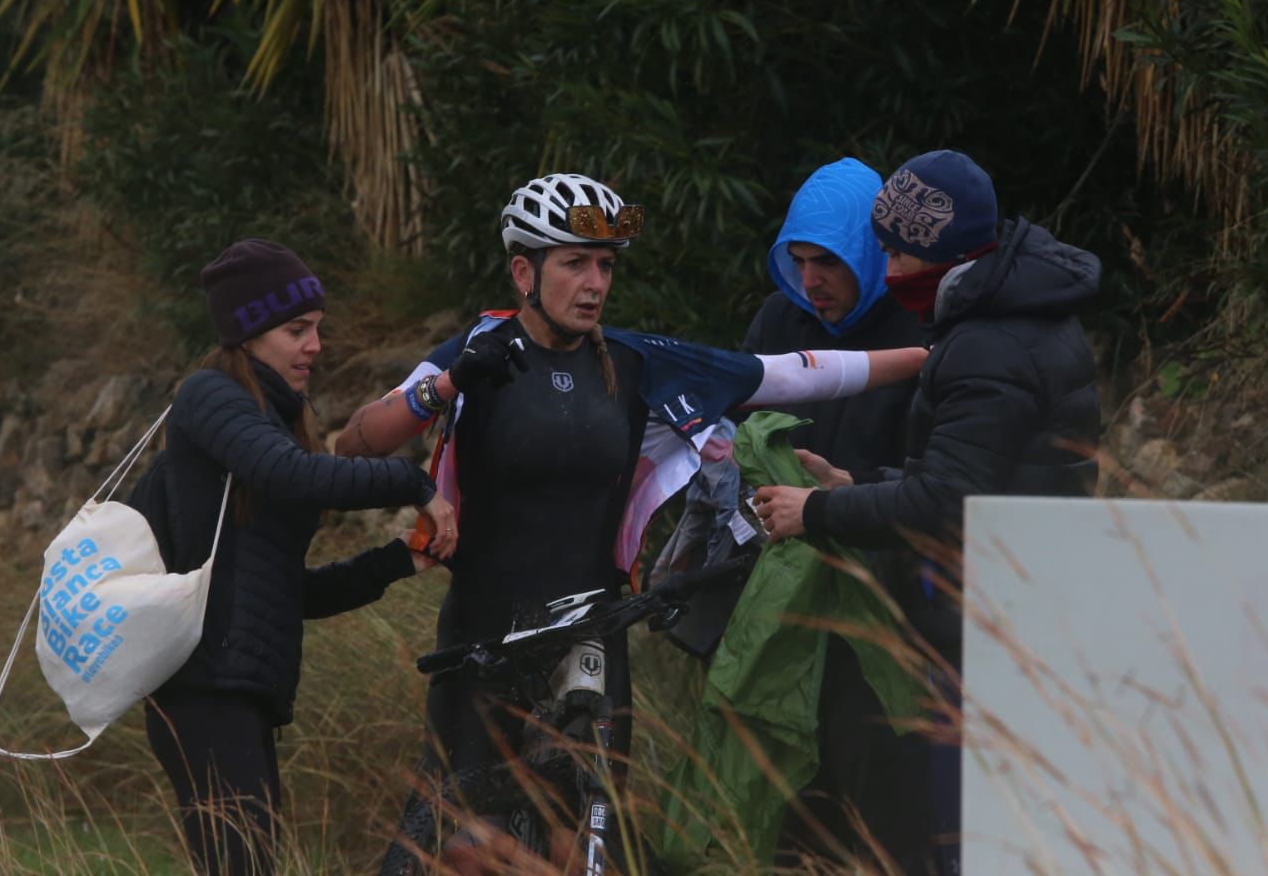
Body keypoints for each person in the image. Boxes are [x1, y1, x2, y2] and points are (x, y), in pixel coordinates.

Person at [337, 173, 928, 871]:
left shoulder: (632, 361)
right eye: (574, 263)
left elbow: (796, 371)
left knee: (582, 844)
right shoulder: (479, 353)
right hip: (482, 630)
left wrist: (940, 358)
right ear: (524, 271)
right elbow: (357, 443)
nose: (594, 283)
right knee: (464, 844)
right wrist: (448, 383)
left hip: (592, 629)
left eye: (606, 266)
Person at [752, 149, 1101, 875]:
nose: (886, 268)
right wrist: (856, 486)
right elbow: (969, 475)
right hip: (1023, 602)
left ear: (934, 252)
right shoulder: (1011, 314)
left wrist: (815, 510)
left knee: (949, 835)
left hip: (984, 620)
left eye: (893, 251)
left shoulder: (986, 345)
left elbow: (945, 502)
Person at [140, 238, 458, 876]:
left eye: (316, 328)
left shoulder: (269, 421)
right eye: (297, 330)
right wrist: (417, 485)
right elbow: (299, 476)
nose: (315, 345)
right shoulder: (208, 398)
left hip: (240, 691)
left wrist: (399, 560)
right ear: (248, 334)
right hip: (203, 689)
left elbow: (287, 592)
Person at [743, 157, 930, 870]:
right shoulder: (779, 317)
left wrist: (850, 491)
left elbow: (936, 476)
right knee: (789, 798)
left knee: (883, 795)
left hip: (885, 599)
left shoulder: (917, 324)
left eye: (827, 261)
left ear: (865, 252)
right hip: (784, 597)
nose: (810, 279)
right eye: (797, 261)